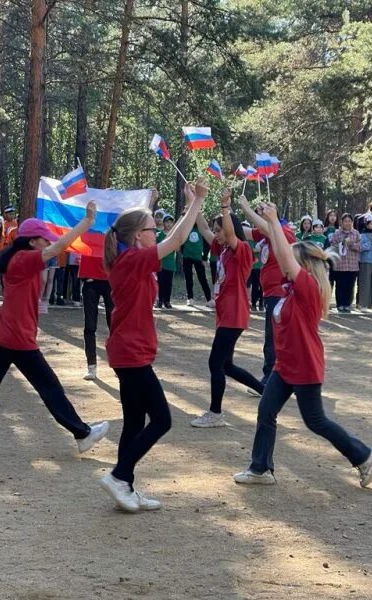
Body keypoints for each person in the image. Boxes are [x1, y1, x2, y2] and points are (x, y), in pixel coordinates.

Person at [233, 201, 372, 488]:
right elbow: (278, 249)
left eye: (289, 260)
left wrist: (275, 221)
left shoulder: (308, 287)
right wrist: (258, 217)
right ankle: (261, 469)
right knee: (266, 411)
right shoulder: (287, 288)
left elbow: (284, 254)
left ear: (301, 266)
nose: (281, 261)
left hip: (305, 366)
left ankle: (363, 455)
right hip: (285, 365)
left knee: (316, 421)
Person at [0, 205, 110, 458]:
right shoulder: (23, 258)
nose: (48, 243)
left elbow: (52, 252)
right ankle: (82, 434)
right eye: (44, 238)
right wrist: (87, 222)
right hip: (17, 339)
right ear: (33, 241)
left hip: (6, 336)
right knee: (49, 387)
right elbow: (57, 249)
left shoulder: (20, 258)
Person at [99, 178, 205, 512]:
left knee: (134, 422)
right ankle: (119, 476)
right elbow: (176, 239)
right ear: (136, 236)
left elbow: (169, 239)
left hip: (131, 351)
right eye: (151, 227)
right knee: (162, 419)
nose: (156, 230)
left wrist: (183, 203)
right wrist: (197, 202)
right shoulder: (132, 260)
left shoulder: (133, 259)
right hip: (130, 354)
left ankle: (126, 486)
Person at [191, 189, 265, 428]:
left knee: (215, 363)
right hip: (226, 314)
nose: (216, 233)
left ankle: (215, 413)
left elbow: (231, 234)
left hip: (234, 313)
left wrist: (225, 207)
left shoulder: (240, 249)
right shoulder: (222, 249)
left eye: (219, 229)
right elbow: (202, 228)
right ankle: (266, 391)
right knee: (227, 365)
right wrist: (195, 201)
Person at [238, 196, 298, 381]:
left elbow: (267, 228)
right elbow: (245, 231)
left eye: (262, 214)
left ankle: (270, 378)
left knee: (273, 337)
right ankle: (283, 376)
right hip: (271, 292)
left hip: (281, 292)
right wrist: (227, 214)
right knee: (274, 336)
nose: (259, 217)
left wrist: (247, 209)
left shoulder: (284, 231)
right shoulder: (267, 233)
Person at [78, 252, 112, 380]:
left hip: (110, 278)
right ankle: (91, 366)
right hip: (90, 278)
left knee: (115, 325)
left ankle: (119, 363)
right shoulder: (85, 232)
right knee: (90, 326)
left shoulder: (113, 233)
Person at [328, 213, 361, 312]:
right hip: (340, 265)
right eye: (345, 221)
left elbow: (360, 247)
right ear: (342, 222)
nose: (347, 223)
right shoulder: (337, 233)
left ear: (352, 222)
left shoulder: (356, 233)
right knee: (340, 286)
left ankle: (348, 304)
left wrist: (351, 244)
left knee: (350, 286)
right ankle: (340, 304)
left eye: (349, 221)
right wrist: (342, 243)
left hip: (352, 265)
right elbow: (332, 246)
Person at [181, 219, 213, 307]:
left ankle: (209, 299)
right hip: (187, 256)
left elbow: (207, 243)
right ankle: (190, 298)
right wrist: (182, 251)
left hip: (198, 257)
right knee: (188, 278)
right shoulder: (187, 226)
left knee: (202, 278)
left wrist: (205, 257)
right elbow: (181, 239)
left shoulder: (202, 227)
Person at [156, 214, 177, 309]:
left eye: (171, 222)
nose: (169, 224)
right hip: (161, 263)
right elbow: (156, 247)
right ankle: (160, 300)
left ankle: (167, 301)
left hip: (170, 264)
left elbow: (178, 249)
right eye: (167, 222)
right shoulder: (159, 235)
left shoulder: (174, 236)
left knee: (169, 283)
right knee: (161, 282)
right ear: (163, 223)